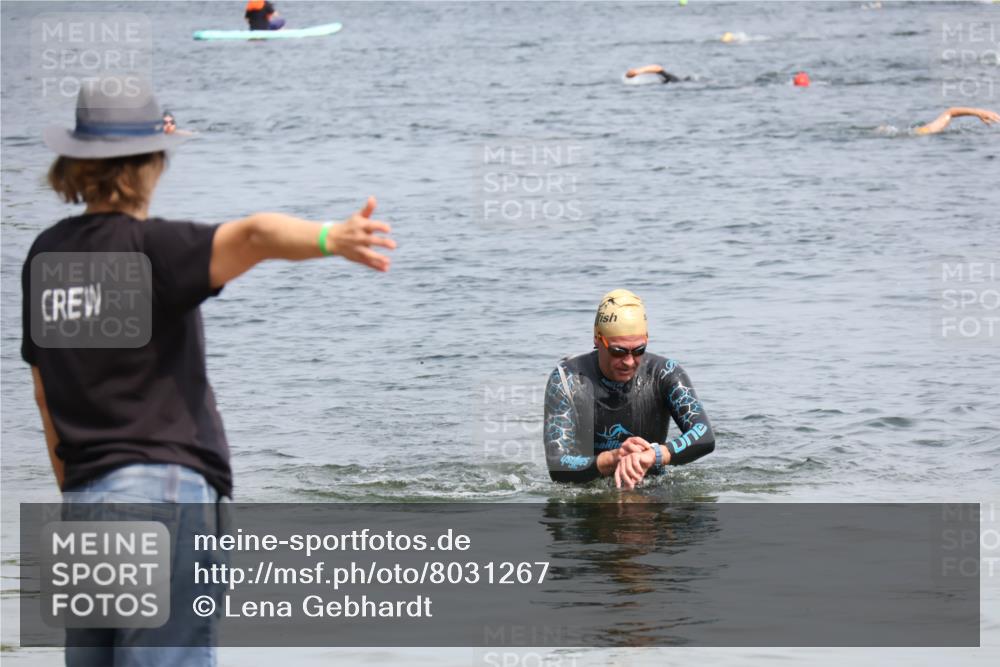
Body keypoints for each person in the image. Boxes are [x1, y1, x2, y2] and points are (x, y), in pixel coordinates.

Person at [24, 78, 395, 665]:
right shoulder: (154, 250)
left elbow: (44, 394)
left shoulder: (47, 256)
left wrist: (76, 491)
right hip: (162, 494)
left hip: (86, 502)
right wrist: (333, 237)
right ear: (149, 164)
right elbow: (255, 235)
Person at [543, 290, 715, 490]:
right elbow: (557, 464)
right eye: (618, 351)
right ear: (597, 339)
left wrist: (654, 455)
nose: (629, 361)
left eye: (639, 350)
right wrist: (613, 459)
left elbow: (704, 435)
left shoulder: (665, 373)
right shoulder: (567, 380)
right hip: (590, 492)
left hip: (652, 487)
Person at [914, 107, 999, 135]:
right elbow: (949, 113)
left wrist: (979, 113)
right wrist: (979, 113)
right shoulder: (920, 132)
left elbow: (949, 113)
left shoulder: (919, 132)